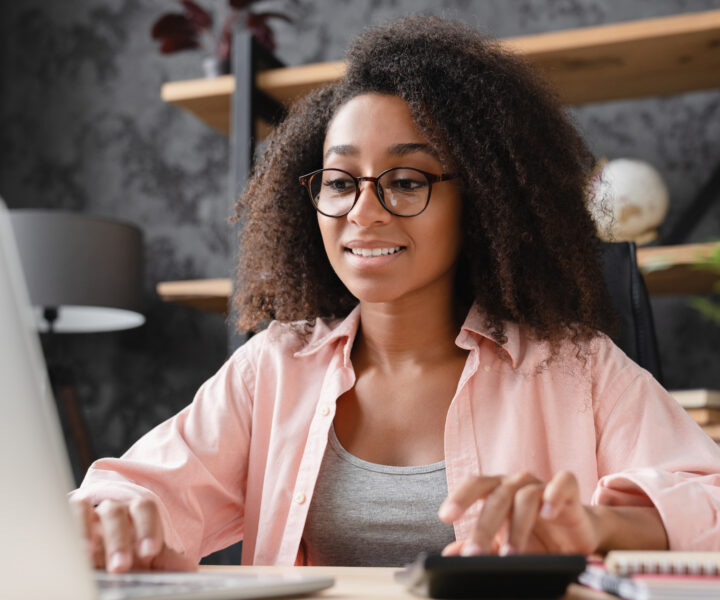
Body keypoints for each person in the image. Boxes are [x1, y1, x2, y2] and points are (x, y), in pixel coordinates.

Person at [71, 16, 720, 571]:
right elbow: (136, 492)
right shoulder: (273, 367)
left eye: (406, 180)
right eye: (339, 180)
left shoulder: (574, 368)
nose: (364, 211)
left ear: (484, 201)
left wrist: (601, 527)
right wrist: (111, 517)